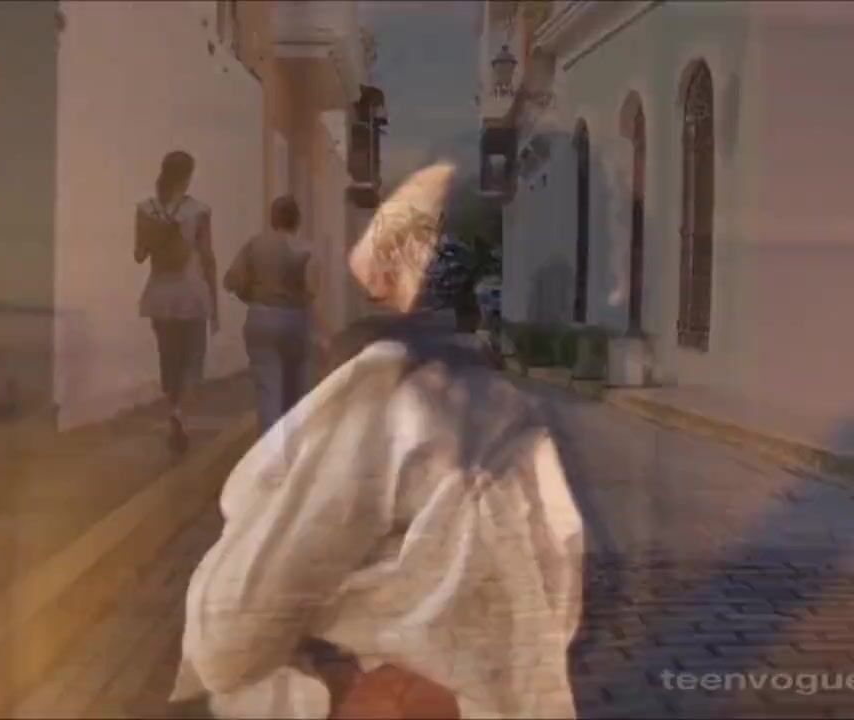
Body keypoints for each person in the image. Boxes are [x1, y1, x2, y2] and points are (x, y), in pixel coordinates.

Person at [170, 163, 585, 719]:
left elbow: (226, 638)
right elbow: (552, 622)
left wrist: (334, 676)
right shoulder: (521, 424)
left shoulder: (385, 404)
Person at [135, 151, 220, 455]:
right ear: (188, 176)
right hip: (191, 293)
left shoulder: (146, 209)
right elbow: (207, 258)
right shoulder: (199, 211)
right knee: (192, 358)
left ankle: (173, 407)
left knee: (168, 358)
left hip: (160, 294)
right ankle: (181, 413)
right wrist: (215, 305)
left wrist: (158, 236)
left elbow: (139, 254)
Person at [223, 195, 328, 436]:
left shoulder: (254, 246)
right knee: (296, 387)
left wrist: (251, 295)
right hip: (295, 319)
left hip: (260, 317)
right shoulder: (307, 249)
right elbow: (312, 290)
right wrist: (323, 332)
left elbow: (231, 281)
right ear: (297, 221)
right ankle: (294, 442)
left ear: (272, 219)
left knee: (268, 388)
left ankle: (271, 448)